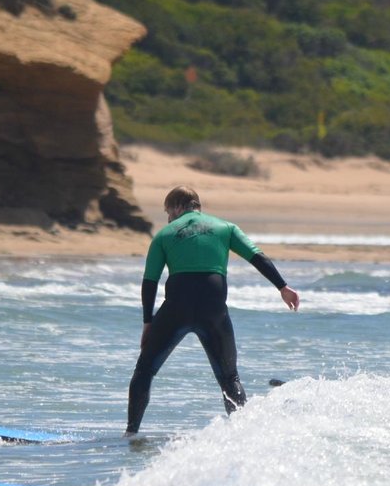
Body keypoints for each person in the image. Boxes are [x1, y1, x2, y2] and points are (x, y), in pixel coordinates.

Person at [126, 186, 299, 435]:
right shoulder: (226, 228)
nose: (168, 218)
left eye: (168, 212)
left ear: (177, 207)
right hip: (213, 311)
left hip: (176, 309)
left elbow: (149, 282)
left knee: (144, 371)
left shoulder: (164, 235)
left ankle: (131, 434)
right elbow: (257, 257)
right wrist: (282, 287)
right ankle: (244, 434)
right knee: (230, 379)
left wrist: (148, 323)